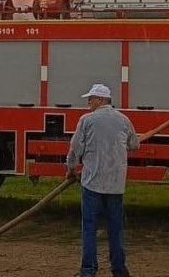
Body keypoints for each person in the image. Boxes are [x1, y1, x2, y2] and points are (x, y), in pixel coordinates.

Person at [66, 83, 140, 277]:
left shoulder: (87, 121)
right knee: (115, 228)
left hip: (92, 183)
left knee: (89, 227)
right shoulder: (124, 120)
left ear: (99, 100)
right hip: (115, 185)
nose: (88, 103)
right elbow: (134, 144)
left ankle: (88, 270)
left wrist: (71, 169)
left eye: (90, 99)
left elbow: (75, 149)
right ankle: (119, 269)